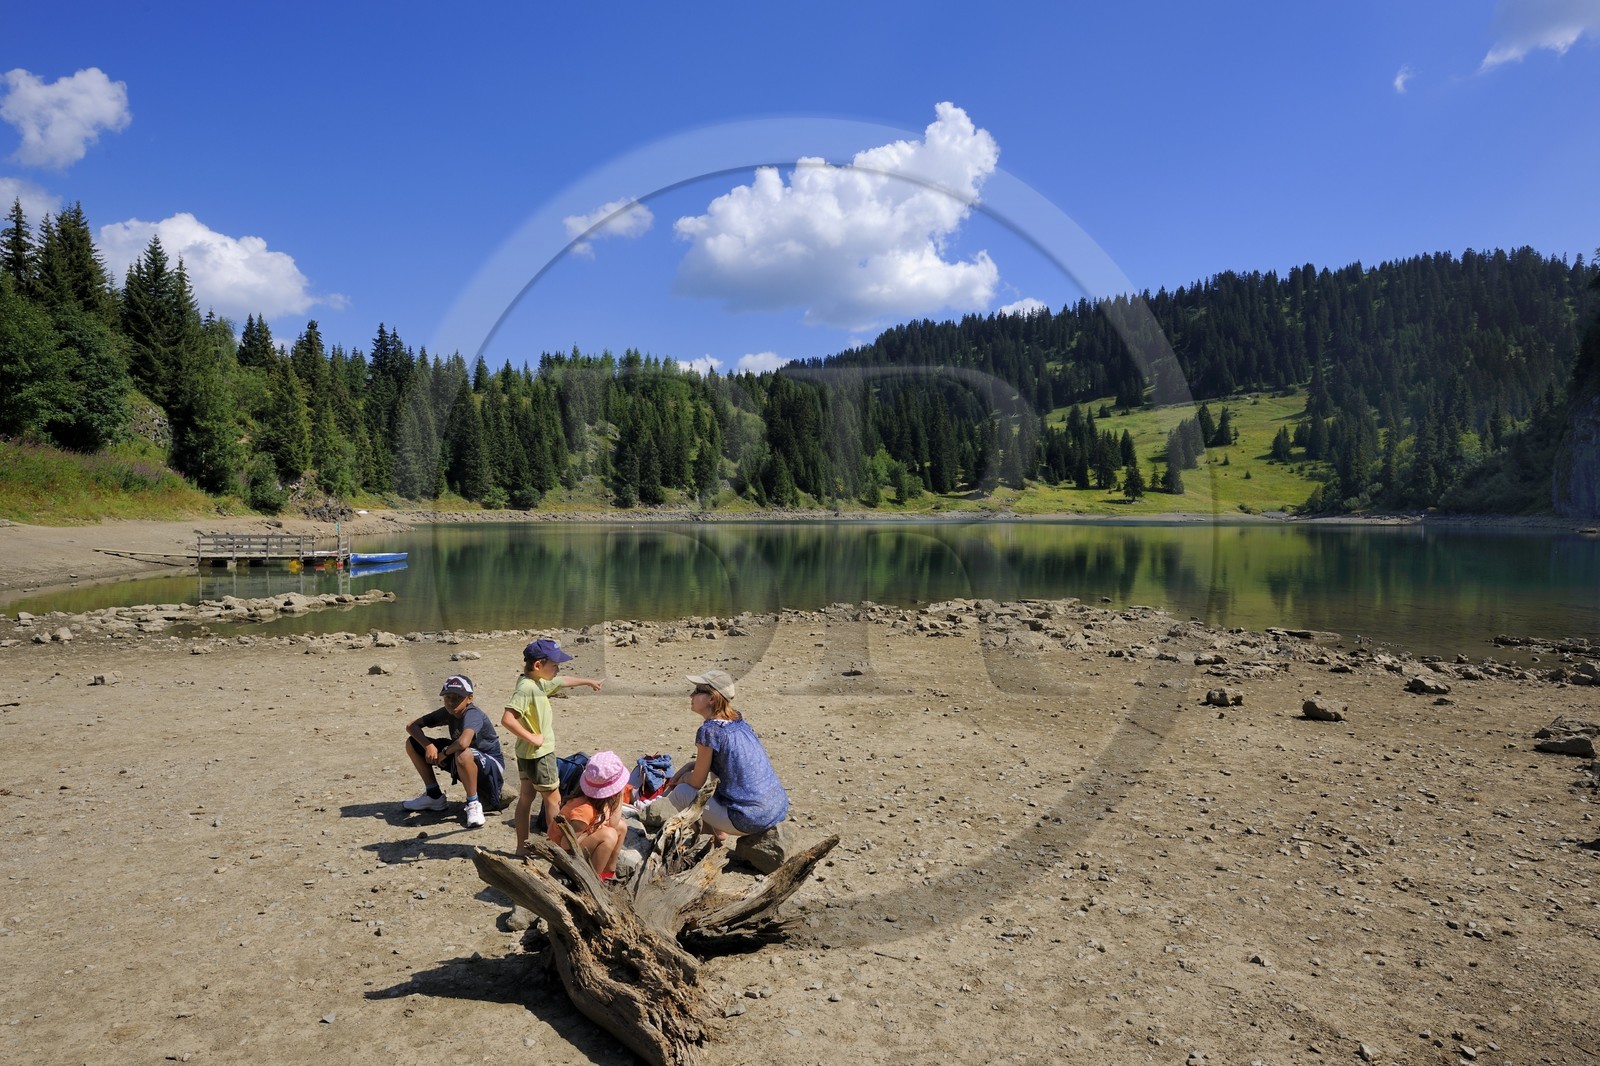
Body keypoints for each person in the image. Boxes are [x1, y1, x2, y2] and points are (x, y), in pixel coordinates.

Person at [650, 668, 788, 842]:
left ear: (712, 698)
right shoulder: (736, 720)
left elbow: (697, 781)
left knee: (682, 793)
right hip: (776, 806)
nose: (691, 695)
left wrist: (683, 778)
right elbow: (723, 763)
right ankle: (717, 829)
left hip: (748, 818)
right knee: (715, 775)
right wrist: (689, 766)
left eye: (698, 691)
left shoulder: (710, 731)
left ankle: (707, 841)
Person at [501, 637, 604, 855]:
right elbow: (507, 719)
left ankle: (522, 847)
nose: (558, 669)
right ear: (539, 665)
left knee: (526, 797)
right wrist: (533, 738)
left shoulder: (535, 681)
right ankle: (558, 851)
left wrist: (588, 681)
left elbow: (562, 681)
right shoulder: (527, 689)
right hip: (540, 754)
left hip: (526, 754)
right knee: (554, 801)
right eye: (555, 665)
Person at [402, 674, 505, 829]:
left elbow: (463, 742)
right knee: (412, 743)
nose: (451, 702)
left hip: (491, 767)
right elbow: (412, 726)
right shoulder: (448, 711)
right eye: (447, 697)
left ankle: (473, 803)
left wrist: (444, 753)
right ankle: (433, 795)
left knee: (462, 752)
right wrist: (428, 746)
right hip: (462, 758)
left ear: (469, 698)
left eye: (457, 698)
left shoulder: (472, 714)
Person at [547, 750, 628, 880]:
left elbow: (614, 822)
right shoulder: (584, 810)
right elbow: (566, 844)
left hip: (575, 844)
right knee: (609, 835)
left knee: (621, 827)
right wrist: (591, 830)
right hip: (563, 854)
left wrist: (620, 795)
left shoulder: (597, 802)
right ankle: (592, 880)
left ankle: (609, 871)